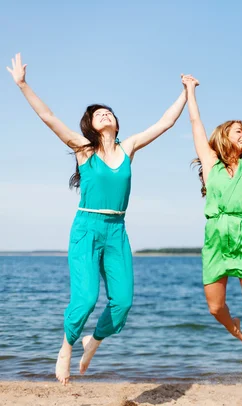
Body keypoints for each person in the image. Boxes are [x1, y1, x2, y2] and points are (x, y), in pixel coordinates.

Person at [6, 53, 189, 385]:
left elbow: (165, 122)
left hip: (117, 230)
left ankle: (94, 341)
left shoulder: (129, 147)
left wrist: (187, 92)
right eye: (97, 113)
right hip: (87, 228)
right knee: (87, 297)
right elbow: (48, 116)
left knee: (123, 303)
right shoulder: (83, 150)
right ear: (90, 125)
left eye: (109, 112)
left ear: (117, 123)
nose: (105, 114)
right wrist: (22, 84)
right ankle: (66, 347)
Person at [184, 68, 242, 343]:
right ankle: (231, 325)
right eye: (239, 132)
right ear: (224, 136)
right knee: (214, 307)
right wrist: (190, 90)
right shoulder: (211, 164)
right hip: (216, 237)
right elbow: (195, 121)